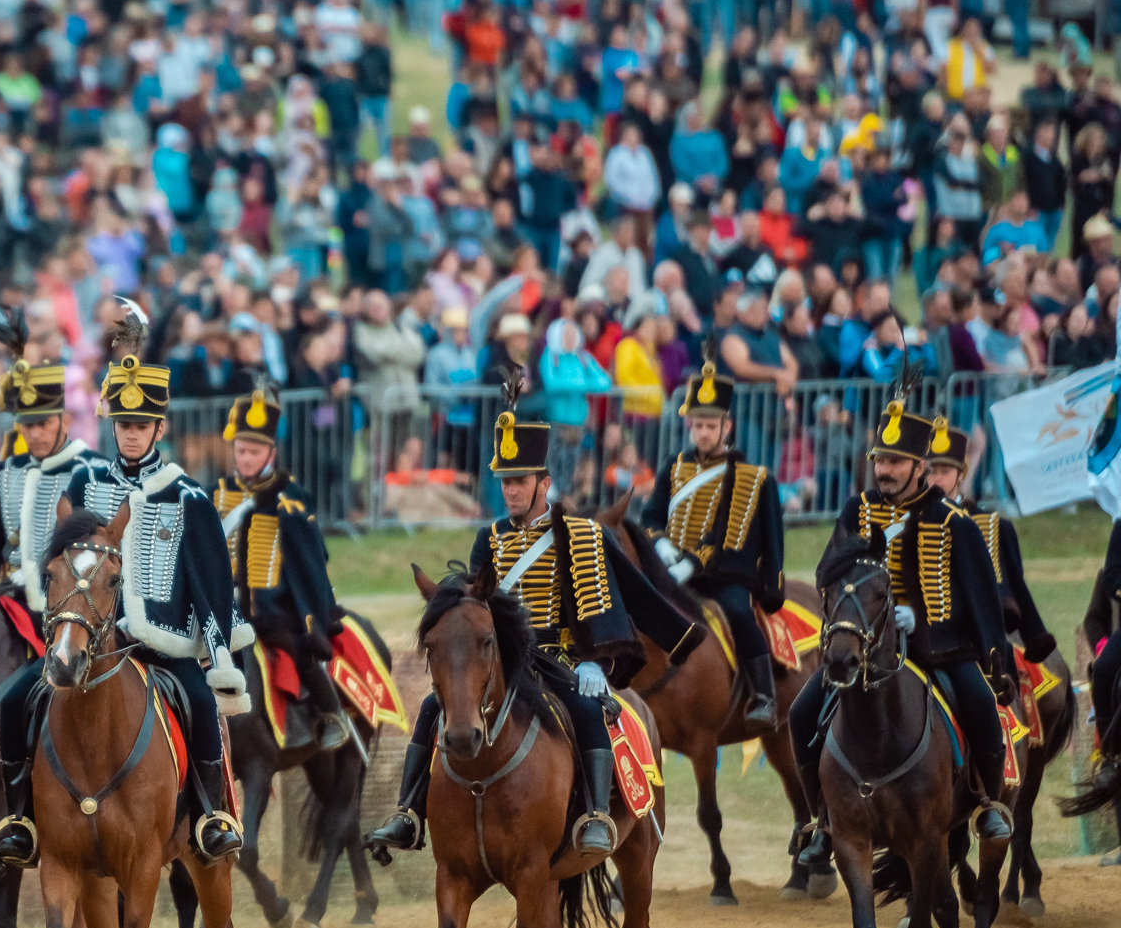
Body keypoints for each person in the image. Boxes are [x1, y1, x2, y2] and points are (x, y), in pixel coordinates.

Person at [367, 400, 703, 864]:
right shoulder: (490, 537)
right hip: (502, 659)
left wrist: (597, 662)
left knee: (586, 710)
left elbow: (602, 604)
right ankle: (408, 813)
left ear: (544, 483)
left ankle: (597, 816)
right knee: (431, 707)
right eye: (505, 482)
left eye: (520, 482)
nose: (510, 491)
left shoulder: (579, 535)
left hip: (560, 658)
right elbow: (473, 600)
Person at [0, 299, 250, 874]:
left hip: (163, 645)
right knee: (14, 702)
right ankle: (21, 821)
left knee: (201, 706)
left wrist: (218, 653)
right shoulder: (86, 480)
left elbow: (209, 585)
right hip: (92, 639)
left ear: (160, 427)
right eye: (122, 425)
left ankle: (209, 816)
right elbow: (58, 559)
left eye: (140, 425)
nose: (129, 434)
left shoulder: (188, 497)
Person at [789, 396, 1017, 867]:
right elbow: (829, 571)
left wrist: (931, 623)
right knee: (801, 712)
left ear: (920, 466)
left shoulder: (953, 523)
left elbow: (981, 604)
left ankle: (989, 803)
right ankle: (820, 820)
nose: (884, 470)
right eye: (880, 460)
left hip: (939, 648)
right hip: (866, 646)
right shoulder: (858, 510)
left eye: (894, 462)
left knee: (978, 706)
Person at [0, 307, 118, 871]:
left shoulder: (90, 471)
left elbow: (93, 557)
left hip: (65, 617)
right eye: (23, 424)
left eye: (40, 423)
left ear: (62, 420)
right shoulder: (6, 471)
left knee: (18, 701)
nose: (30, 434)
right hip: (9, 612)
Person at [641, 363, 787, 729]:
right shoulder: (673, 468)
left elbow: (729, 535)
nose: (703, 433)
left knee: (738, 613)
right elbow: (651, 517)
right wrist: (661, 548)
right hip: (670, 570)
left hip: (725, 575)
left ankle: (763, 696)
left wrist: (690, 564)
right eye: (697, 425)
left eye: (711, 426)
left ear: (727, 427)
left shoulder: (749, 478)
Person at [212, 385, 347, 751]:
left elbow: (309, 562)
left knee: (295, 646)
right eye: (241, 451)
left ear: (272, 452)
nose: (246, 459)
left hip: (273, 609)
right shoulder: (219, 493)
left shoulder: (291, 497)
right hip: (225, 607)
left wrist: (310, 614)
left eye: (254, 452)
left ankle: (332, 712)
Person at [924, 424, 1057, 674]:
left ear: (961, 474)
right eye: (931, 471)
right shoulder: (913, 522)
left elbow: (1014, 587)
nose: (936, 479)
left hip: (979, 633)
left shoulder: (992, 526)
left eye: (944, 471)